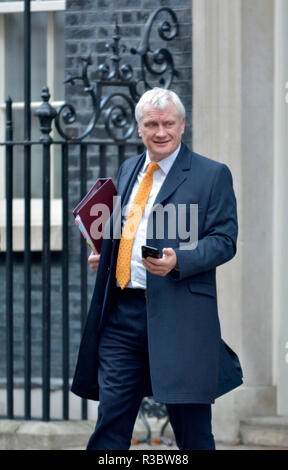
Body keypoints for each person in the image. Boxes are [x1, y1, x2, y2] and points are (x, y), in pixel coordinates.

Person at [71, 87, 243, 450]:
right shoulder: (129, 168)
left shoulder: (212, 175)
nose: (160, 132)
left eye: (168, 123)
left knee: (193, 434)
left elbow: (224, 240)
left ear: (183, 126)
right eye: (151, 124)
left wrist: (179, 260)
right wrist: (111, 256)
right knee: (110, 425)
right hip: (123, 317)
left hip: (181, 318)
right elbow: (127, 228)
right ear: (139, 129)